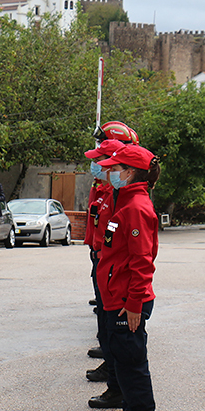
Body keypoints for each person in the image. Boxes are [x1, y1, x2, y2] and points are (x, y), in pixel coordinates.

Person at [94, 144, 160, 411]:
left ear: (130, 172)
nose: (108, 172)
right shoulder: (125, 201)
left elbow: (143, 262)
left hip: (126, 303)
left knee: (133, 366)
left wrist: (134, 303)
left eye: (114, 168)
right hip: (116, 298)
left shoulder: (136, 207)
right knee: (123, 361)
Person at [84, 138, 124, 397]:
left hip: (108, 264)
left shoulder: (116, 195)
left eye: (99, 161)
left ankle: (115, 381)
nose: (95, 165)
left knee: (112, 324)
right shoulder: (105, 190)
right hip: (100, 258)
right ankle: (110, 367)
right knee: (104, 317)